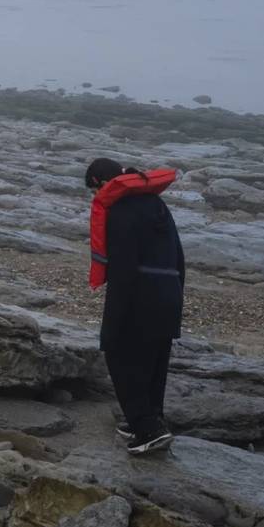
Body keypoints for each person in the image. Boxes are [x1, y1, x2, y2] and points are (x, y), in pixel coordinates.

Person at [86, 158, 185, 455]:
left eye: (93, 190)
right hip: (169, 292)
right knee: (154, 360)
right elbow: (179, 256)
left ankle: (148, 429)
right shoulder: (157, 204)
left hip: (139, 294)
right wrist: (177, 295)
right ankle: (150, 418)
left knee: (120, 356)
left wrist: (113, 319)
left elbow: (124, 269)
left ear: (99, 182)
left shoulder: (119, 210)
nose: (95, 197)